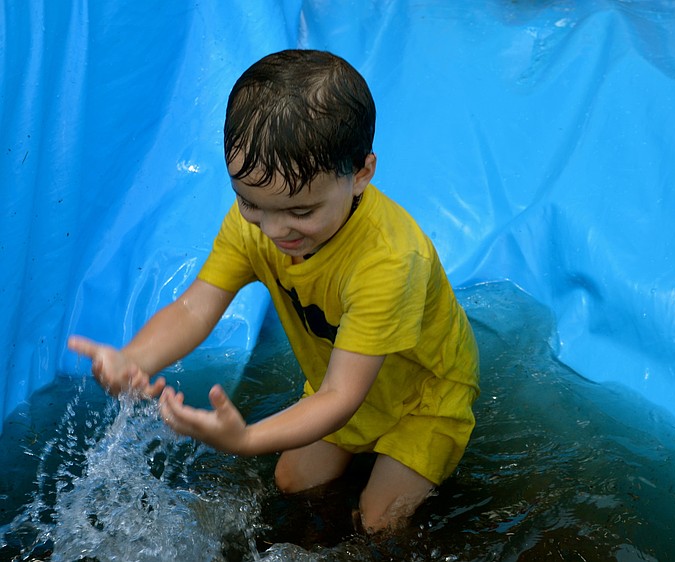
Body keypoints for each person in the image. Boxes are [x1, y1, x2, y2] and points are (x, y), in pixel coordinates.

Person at [67, 49, 480, 533]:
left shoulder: (388, 261)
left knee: (379, 521)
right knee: (291, 480)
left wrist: (246, 439)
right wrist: (133, 359)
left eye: (302, 212)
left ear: (361, 174)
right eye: (249, 203)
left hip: (423, 398)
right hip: (343, 379)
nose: (275, 230)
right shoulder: (261, 222)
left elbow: (340, 396)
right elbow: (194, 308)